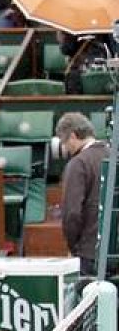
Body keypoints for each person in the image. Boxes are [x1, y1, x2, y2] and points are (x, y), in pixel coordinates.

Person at [58, 112, 108, 275]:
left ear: (73, 136)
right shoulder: (113, 155)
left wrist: (74, 247)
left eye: (64, 142)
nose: (64, 148)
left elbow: (71, 213)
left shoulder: (78, 164)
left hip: (88, 252)